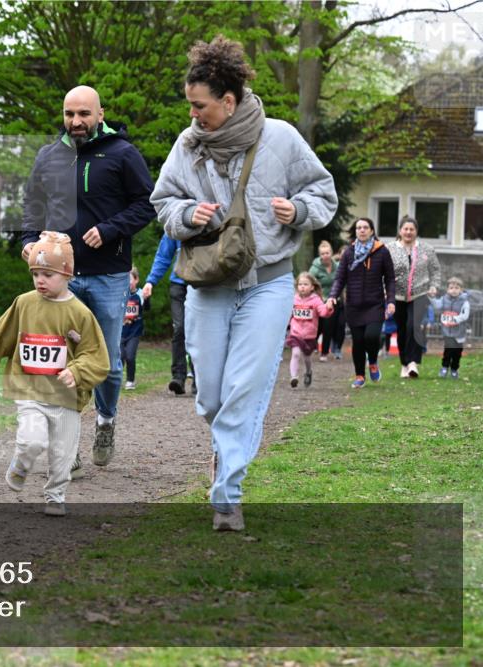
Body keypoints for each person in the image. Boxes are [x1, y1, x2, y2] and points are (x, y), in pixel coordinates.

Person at [151, 35, 337, 531]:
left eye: (200, 106)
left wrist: (298, 209)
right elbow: (163, 203)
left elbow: (323, 193)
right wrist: (189, 214)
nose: (193, 115)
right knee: (211, 396)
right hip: (209, 284)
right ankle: (226, 448)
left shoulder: (281, 138)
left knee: (247, 387)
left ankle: (227, 493)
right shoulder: (188, 146)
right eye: (190, 106)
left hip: (268, 285)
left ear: (228, 101)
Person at [21, 85, 156, 475]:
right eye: (69, 114)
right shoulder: (49, 155)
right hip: (60, 276)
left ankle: (106, 420)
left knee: (109, 365)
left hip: (109, 275)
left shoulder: (122, 153)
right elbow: (32, 203)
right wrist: (29, 242)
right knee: (59, 361)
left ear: (100, 115)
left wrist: (111, 229)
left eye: (83, 114)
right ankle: (68, 443)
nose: (76, 122)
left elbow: (147, 203)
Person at [0, 232, 109, 516]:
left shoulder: (80, 313)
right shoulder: (25, 303)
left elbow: (95, 355)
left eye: (48, 274)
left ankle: (55, 495)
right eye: (35, 274)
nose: (40, 280)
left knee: (63, 455)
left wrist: (76, 371)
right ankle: (21, 462)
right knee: (33, 441)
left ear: (67, 274)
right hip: (29, 390)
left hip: (65, 396)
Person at [326, 218, 396, 388]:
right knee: (358, 342)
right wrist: (332, 296)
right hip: (354, 305)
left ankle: (372, 361)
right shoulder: (349, 253)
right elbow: (340, 278)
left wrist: (391, 301)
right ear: (355, 231)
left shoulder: (382, 251)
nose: (362, 230)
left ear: (372, 231)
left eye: (365, 227)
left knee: (371, 336)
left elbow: (390, 279)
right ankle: (359, 376)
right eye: (359, 228)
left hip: (375, 304)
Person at [387, 215, 442, 379]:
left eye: (412, 229)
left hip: (419, 293)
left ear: (416, 231)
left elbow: (435, 270)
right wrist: (385, 289)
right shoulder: (390, 248)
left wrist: (434, 286)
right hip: (397, 295)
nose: (408, 232)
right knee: (402, 330)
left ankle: (413, 362)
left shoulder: (427, 249)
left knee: (413, 325)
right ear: (400, 231)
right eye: (406, 229)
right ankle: (404, 364)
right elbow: (383, 270)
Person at [142, 236, 196, 394]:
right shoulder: (175, 224)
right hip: (178, 285)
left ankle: (200, 379)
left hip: (202, 285)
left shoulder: (208, 218)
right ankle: (178, 377)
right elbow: (163, 256)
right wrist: (150, 281)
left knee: (198, 330)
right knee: (179, 328)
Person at [286, 272, 333, 388]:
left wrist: (328, 308)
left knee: (307, 357)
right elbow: (288, 314)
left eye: (306, 284)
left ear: (312, 287)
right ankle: (294, 377)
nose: (302, 287)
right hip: (295, 333)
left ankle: (308, 372)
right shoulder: (293, 299)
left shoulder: (315, 300)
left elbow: (323, 312)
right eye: (300, 284)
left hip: (309, 335)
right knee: (295, 354)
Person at [309, 240, 344, 362]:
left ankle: (324, 352)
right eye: (323, 253)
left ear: (331, 253)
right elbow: (309, 283)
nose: (325, 255)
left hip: (334, 300)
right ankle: (311, 346)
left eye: (327, 253)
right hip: (319, 301)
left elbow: (342, 280)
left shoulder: (338, 266)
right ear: (320, 255)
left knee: (330, 327)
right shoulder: (315, 268)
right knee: (318, 327)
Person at [430, 276, 471, 379]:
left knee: (457, 352)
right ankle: (444, 367)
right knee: (448, 351)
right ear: (448, 289)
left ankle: (454, 369)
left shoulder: (464, 301)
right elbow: (437, 306)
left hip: (459, 332)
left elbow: (465, 315)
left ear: (461, 290)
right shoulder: (444, 299)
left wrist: (456, 319)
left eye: (457, 288)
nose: (454, 290)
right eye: (451, 287)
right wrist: (431, 297)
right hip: (447, 331)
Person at [122, 266, 144, 390]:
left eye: (129, 279)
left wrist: (147, 298)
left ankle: (130, 380)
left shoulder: (140, 294)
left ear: (136, 280)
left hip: (134, 332)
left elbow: (147, 308)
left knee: (130, 356)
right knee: (119, 356)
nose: (127, 282)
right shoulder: (120, 294)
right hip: (120, 332)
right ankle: (116, 379)